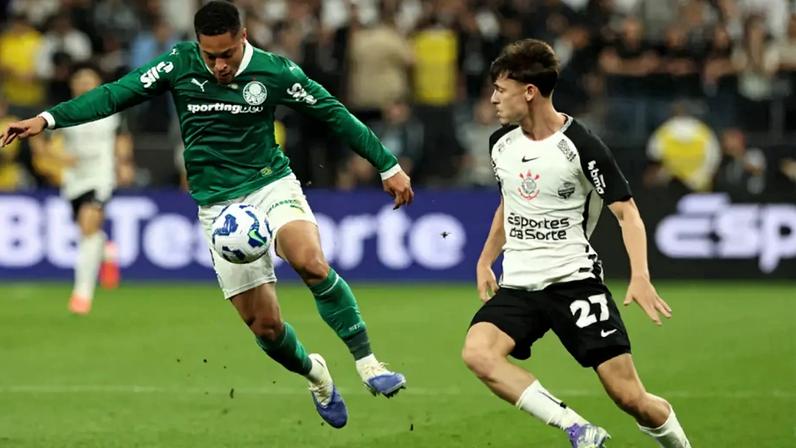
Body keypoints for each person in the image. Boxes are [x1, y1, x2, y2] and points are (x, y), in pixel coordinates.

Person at [0, 1, 412, 429]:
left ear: (244, 38)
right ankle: (316, 374)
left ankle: (369, 364)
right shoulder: (178, 64)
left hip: (269, 184)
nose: (218, 65)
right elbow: (115, 94)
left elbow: (334, 113)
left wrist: (388, 165)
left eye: (227, 55)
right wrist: (48, 119)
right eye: (209, 55)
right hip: (218, 207)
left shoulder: (275, 72)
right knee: (267, 328)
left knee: (310, 261)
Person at [461, 39, 692, 448]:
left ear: (529, 92)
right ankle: (576, 428)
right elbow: (507, 204)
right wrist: (485, 260)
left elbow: (627, 213)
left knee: (630, 397)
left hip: (574, 282)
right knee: (478, 353)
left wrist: (639, 276)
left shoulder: (581, 146)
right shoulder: (502, 144)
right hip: (520, 285)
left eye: (501, 89)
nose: (494, 99)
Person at [29, 62, 126, 315]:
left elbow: (123, 138)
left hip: (101, 177)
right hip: (74, 181)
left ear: (98, 84)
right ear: (73, 85)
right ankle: (107, 250)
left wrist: (124, 163)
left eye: (88, 80)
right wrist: (57, 158)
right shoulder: (64, 113)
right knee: (88, 232)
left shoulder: (111, 111)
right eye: (79, 80)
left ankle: (82, 294)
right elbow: (40, 139)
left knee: (87, 226)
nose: (83, 84)